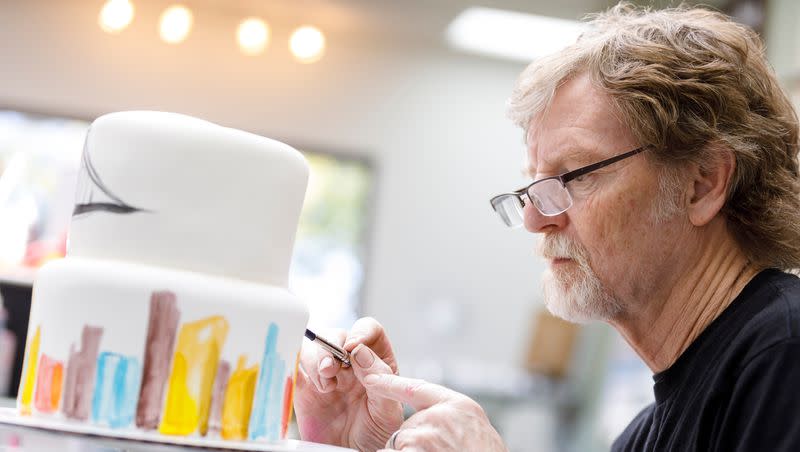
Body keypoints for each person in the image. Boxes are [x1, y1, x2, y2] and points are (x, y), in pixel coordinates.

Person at [294, 2, 800, 451]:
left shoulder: (784, 357)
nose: (536, 218)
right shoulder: (645, 433)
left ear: (703, 183)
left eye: (573, 176)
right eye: (532, 186)